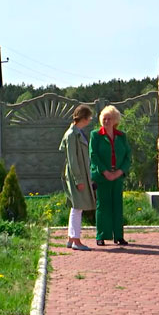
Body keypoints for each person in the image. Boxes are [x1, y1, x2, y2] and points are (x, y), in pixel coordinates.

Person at [89, 105, 132, 246]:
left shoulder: (121, 136)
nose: (106, 121)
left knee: (117, 206)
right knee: (103, 206)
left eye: (109, 119)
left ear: (115, 121)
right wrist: (105, 172)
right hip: (102, 176)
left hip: (118, 176)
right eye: (104, 119)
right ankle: (101, 235)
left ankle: (118, 236)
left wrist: (119, 172)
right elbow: (93, 155)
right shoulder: (95, 135)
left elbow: (127, 156)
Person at [58, 104, 96, 251]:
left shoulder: (77, 132)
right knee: (78, 207)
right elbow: (73, 160)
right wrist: (79, 180)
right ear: (84, 118)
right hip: (76, 176)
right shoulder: (72, 135)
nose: (90, 120)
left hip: (79, 174)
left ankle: (71, 239)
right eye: (89, 117)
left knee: (76, 207)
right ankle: (76, 240)